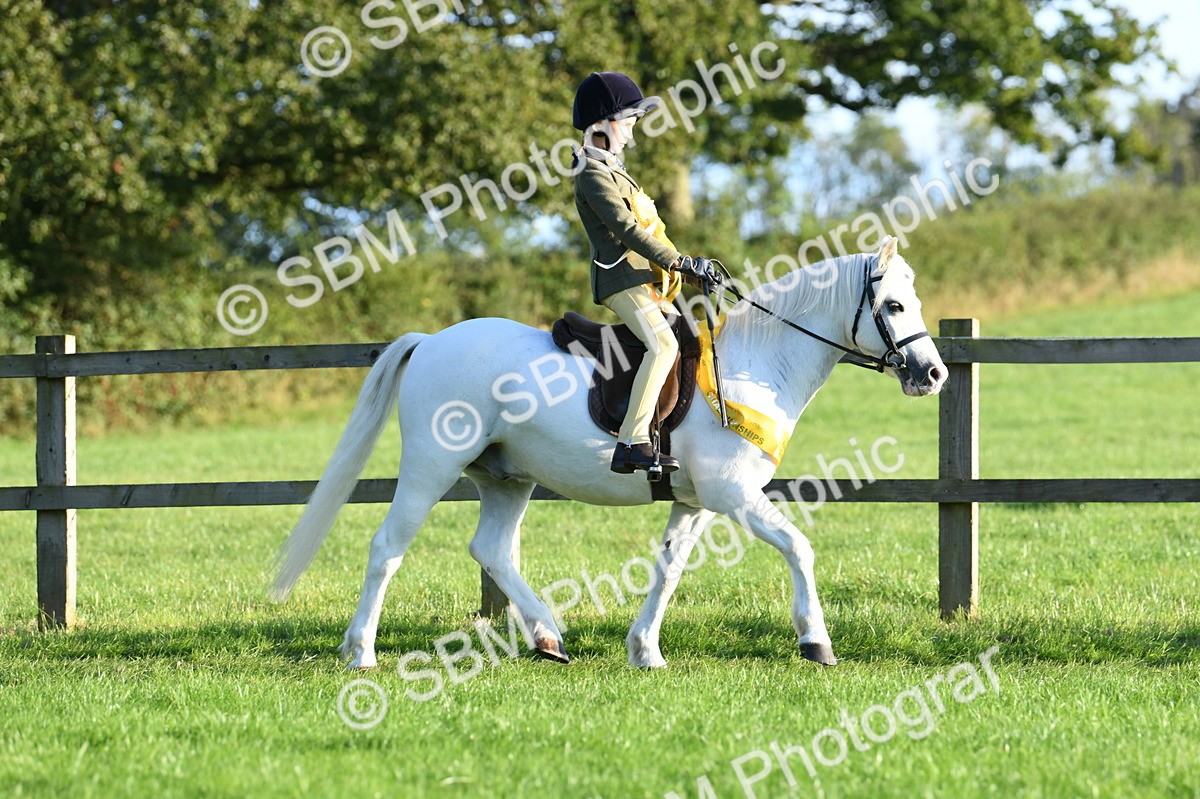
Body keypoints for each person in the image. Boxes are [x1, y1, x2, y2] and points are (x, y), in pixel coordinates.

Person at [571, 71, 722, 475]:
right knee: (663, 347)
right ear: (602, 124)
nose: (633, 133)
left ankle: (672, 434)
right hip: (620, 278)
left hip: (645, 279)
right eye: (629, 122)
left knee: (688, 338)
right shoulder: (591, 173)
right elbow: (626, 229)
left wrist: (684, 268)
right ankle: (630, 441)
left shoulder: (614, 168)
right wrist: (679, 261)